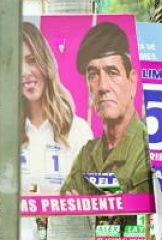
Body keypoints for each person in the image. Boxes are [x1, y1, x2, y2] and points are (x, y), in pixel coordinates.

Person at [60, 21, 152, 196]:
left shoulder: (148, 150)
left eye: (112, 72)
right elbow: (66, 209)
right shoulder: (87, 153)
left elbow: (144, 212)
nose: (102, 86)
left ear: (132, 82)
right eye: (93, 75)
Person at [20, 21, 92, 195]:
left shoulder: (78, 130)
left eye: (31, 60)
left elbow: (95, 193)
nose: (24, 71)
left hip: (65, 222)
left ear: (45, 63)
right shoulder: (0, 129)